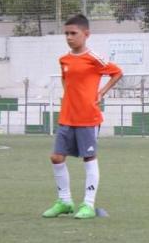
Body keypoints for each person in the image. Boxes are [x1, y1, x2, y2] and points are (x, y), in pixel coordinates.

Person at [42, 15, 123, 219]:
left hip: (88, 117)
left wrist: (101, 92)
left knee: (89, 158)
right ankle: (65, 201)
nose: (69, 37)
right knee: (56, 157)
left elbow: (117, 72)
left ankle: (88, 204)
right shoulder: (64, 60)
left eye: (73, 33)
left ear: (86, 34)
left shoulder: (94, 58)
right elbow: (65, 82)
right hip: (67, 117)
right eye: (66, 33)